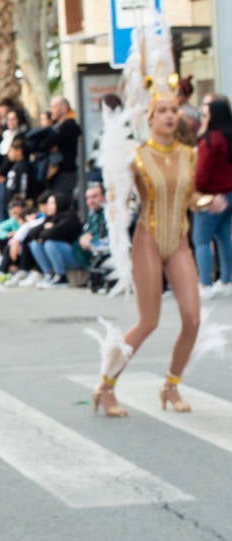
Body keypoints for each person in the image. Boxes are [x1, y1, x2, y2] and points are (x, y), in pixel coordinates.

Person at [91, 14, 218, 417]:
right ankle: (107, 387)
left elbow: (191, 196)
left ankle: (171, 384)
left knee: (193, 318)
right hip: (146, 240)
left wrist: (207, 202)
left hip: (178, 241)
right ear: (149, 116)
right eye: (161, 110)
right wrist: (112, 204)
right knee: (147, 322)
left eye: (172, 109)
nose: (168, 115)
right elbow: (119, 199)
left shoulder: (188, 154)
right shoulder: (136, 157)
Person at [193, 95, 232, 297]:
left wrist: (195, 192)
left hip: (211, 194)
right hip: (230, 192)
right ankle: (227, 279)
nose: (202, 118)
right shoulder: (228, 136)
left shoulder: (210, 139)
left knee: (201, 238)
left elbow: (202, 172)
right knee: (224, 236)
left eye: (205, 114)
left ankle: (205, 284)